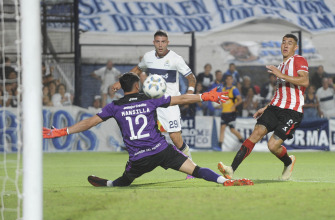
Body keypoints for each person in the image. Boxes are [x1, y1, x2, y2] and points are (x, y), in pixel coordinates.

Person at [43, 72, 253, 187]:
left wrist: (63, 131)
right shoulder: (150, 100)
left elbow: (90, 122)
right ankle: (225, 181)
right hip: (162, 150)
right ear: (136, 87)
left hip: (138, 158)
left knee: (125, 181)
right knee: (196, 170)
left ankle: (109, 184)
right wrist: (205, 96)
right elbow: (180, 98)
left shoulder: (114, 106)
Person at [218, 34, 309, 181]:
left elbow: (304, 81)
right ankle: (231, 169)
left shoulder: (299, 60)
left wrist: (281, 75)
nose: (286, 45)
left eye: (290, 43)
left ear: (295, 47)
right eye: (283, 42)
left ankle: (288, 162)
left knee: (272, 146)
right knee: (256, 133)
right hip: (275, 107)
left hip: (292, 111)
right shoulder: (280, 66)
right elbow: (280, 92)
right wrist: (266, 107)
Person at [112, 30, 196, 178]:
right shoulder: (148, 57)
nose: (160, 45)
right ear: (154, 43)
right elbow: (137, 70)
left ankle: (191, 164)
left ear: (168, 42)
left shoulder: (176, 59)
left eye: (163, 42)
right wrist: (120, 82)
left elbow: (191, 78)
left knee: (176, 138)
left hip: (169, 102)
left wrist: (190, 92)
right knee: (142, 133)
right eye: (157, 41)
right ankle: (135, 163)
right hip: (151, 101)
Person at [215, 75, 244, 151]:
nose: (229, 81)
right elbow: (223, 101)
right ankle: (219, 146)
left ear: (232, 80)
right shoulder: (223, 89)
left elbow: (240, 100)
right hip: (224, 112)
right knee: (222, 128)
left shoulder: (234, 89)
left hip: (231, 113)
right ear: (226, 80)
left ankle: (243, 141)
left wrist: (234, 106)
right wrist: (219, 106)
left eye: (230, 79)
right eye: (228, 79)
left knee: (232, 130)